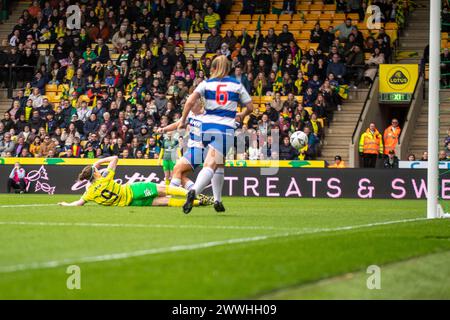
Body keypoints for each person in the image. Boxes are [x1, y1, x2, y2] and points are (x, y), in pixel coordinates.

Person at [179, 55, 253, 214]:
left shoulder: (206, 83)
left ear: (213, 68)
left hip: (207, 127)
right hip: (224, 127)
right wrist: (242, 115)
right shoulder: (236, 84)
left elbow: (190, 101)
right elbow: (250, 107)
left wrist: (182, 120)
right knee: (211, 163)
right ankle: (195, 191)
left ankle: (218, 201)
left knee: (219, 162)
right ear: (228, 68)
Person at [58, 156, 212, 208]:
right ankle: (194, 195)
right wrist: (98, 162)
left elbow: (78, 203)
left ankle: (199, 203)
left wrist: (65, 204)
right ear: (96, 173)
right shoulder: (105, 178)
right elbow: (115, 158)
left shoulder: (90, 193)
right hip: (133, 190)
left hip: (130, 204)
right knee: (165, 189)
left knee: (164, 202)